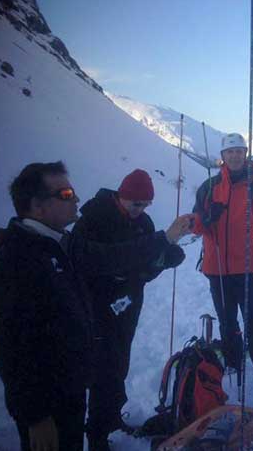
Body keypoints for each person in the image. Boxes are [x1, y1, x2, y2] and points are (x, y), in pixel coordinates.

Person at [0, 162, 192, 451]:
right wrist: (35, 416)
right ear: (36, 204)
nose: (77, 200)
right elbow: (10, 348)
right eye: (67, 193)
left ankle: (105, 426)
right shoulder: (16, 261)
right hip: (49, 397)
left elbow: (113, 257)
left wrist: (162, 251)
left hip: (71, 385)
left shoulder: (62, 243)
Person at [72, 169, 185, 450]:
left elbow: (144, 268)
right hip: (96, 307)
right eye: (136, 204)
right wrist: (153, 251)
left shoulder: (143, 222)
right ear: (121, 196)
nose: (141, 210)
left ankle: (112, 419)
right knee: (101, 369)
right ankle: (97, 435)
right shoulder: (94, 219)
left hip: (128, 306)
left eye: (146, 205)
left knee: (119, 363)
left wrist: (163, 261)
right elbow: (100, 261)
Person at [192, 133, 253, 388]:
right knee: (227, 323)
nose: (235, 156)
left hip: (247, 270)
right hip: (216, 270)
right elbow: (195, 226)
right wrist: (206, 219)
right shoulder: (209, 188)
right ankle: (233, 363)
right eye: (230, 152)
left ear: (245, 154)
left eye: (240, 151)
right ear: (223, 157)